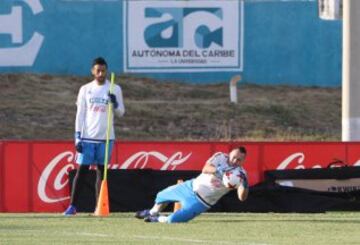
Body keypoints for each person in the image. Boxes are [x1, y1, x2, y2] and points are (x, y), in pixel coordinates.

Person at [64, 57, 125, 215]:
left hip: (106, 138)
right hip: (87, 137)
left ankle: (99, 207)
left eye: (103, 70)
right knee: (82, 171)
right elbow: (80, 114)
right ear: (93, 71)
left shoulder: (114, 88)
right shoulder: (85, 89)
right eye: (97, 70)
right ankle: (72, 206)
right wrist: (77, 136)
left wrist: (115, 103)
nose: (100, 73)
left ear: (107, 71)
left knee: (101, 171)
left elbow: (121, 113)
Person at [135, 146, 249, 223]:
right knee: (161, 195)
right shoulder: (220, 157)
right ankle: (152, 212)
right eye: (234, 157)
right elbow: (205, 168)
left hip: (201, 202)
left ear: (244, 161)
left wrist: (244, 184)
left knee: (173, 220)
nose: (235, 161)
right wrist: (220, 172)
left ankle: (157, 219)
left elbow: (242, 198)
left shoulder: (241, 175)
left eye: (239, 160)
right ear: (230, 154)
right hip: (190, 187)